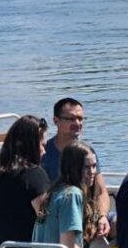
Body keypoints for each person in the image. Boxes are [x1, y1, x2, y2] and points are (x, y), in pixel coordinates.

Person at [41, 97, 111, 238]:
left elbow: (101, 192)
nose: (77, 123)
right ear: (56, 121)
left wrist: (102, 217)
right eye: (71, 119)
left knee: (123, 223)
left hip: (88, 214)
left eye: (80, 118)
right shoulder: (44, 153)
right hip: (61, 217)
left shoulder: (88, 152)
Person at [0, 115, 51, 248]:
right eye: (43, 145)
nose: (45, 151)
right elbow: (49, 222)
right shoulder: (34, 176)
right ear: (31, 144)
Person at [33, 141, 103, 248]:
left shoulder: (52, 193)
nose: (92, 172)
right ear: (74, 168)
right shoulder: (72, 195)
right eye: (86, 167)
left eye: (94, 166)